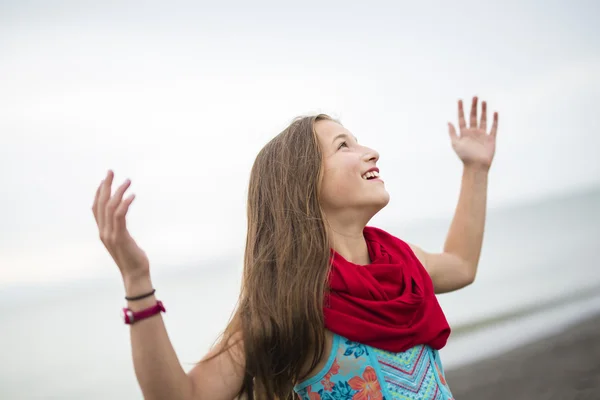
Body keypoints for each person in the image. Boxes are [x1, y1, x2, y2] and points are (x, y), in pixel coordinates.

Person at [92, 96, 498, 400]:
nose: (370, 152)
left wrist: (475, 170)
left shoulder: (402, 263)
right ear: (304, 182)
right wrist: (137, 279)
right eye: (344, 146)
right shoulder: (285, 304)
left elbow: (461, 265)